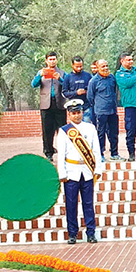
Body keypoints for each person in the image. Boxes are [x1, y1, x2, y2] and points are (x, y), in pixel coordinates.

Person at [55, 98, 104, 244]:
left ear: (82, 112)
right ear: (69, 114)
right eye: (73, 113)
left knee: (88, 203)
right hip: (71, 172)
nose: (76, 115)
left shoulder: (90, 128)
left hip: (87, 170)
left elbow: (96, 150)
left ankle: (91, 232)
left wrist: (98, 169)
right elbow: (61, 154)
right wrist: (62, 173)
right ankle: (72, 233)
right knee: (71, 204)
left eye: (78, 112)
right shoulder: (64, 131)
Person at [31, 51, 66, 160]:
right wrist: (39, 76)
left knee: (62, 129)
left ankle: (64, 151)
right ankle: (48, 152)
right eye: (50, 59)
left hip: (59, 104)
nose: (52, 61)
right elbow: (33, 85)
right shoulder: (41, 72)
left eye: (54, 59)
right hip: (46, 105)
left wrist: (59, 78)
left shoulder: (62, 72)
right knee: (47, 130)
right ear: (46, 60)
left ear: (57, 60)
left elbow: (67, 85)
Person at [86, 59, 120, 159]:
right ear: (97, 68)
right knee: (100, 133)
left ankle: (114, 154)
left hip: (112, 110)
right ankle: (100, 154)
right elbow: (90, 97)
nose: (105, 68)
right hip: (101, 112)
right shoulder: (93, 81)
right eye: (102, 66)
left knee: (114, 133)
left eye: (106, 66)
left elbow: (114, 91)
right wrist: (98, 105)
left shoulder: (112, 78)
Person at [60, 56, 94, 129]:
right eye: (77, 66)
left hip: (86, 107)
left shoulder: (88, 76)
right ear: (72, 65)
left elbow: (92, 90)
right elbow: (64, 93)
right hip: (74, 108)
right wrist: (76, 93)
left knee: (87, 128)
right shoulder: (68, 77)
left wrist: (86, 91)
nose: (79, 68)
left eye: (81, 66)